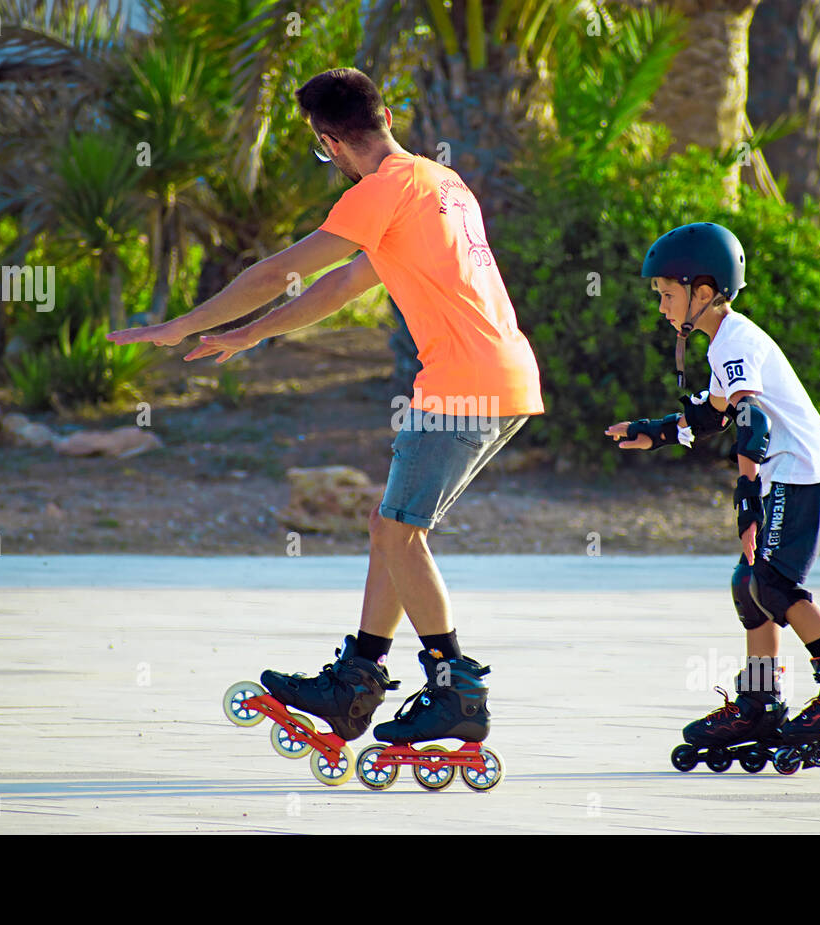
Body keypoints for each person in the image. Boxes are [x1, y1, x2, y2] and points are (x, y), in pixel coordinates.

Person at [110, 67, 543, 749]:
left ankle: (455, 687)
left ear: (331, 142)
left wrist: (183, 323)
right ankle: (358, 678)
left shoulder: (380, 191)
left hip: (464, 378)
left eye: (320, 149)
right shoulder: (439, 182)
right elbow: (344, 283)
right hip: (501, 371)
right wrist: (254, 331)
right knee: (388, 525)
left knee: (401, 532)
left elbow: (280, 271)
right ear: (387, 117)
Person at [605, 222, 820, 766]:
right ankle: (761, 701)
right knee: (750, 585)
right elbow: (715, 413)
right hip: (791, 471)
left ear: (703, 293)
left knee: (776, 585)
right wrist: (658, 431)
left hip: (801, 471)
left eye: (667, 294)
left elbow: (751, 421)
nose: (661, 305)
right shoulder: (726, 343)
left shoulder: (734, 343)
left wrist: (747, 497)